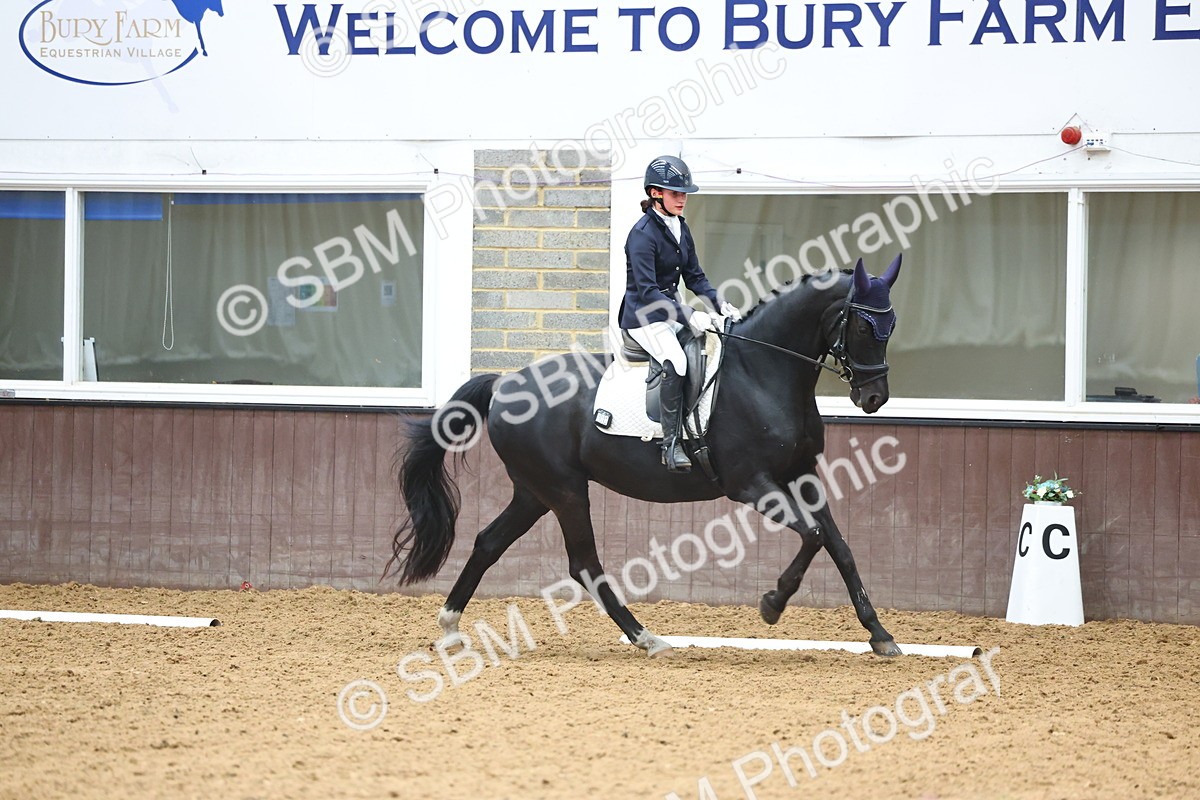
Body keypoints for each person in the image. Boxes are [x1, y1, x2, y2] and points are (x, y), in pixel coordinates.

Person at [618, 155, 742, 473]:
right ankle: (670, 445)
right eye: (676, 193)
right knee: (677, 361)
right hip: (643, 316)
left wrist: (717, 304)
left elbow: (695, 276)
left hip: (668, 312)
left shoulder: (680, 228)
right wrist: (688, 314)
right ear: (656, 193)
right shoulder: (642, 235)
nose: (682, 199)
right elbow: (647, 292)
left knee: (708, 348)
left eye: (684, 193)